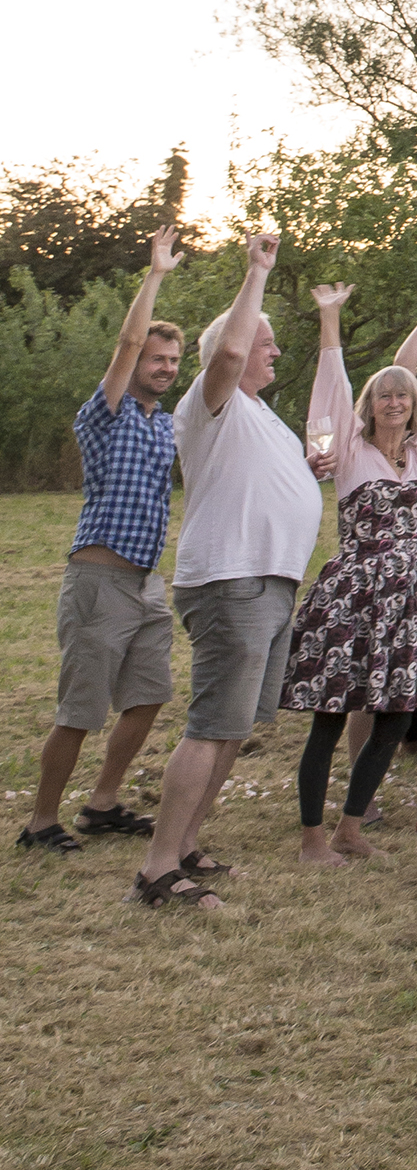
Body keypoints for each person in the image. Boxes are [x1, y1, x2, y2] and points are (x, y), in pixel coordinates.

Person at [134, 226, 326, 909]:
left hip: (271, 581)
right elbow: (235, 345)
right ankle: (157, 869)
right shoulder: (209, 398)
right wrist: (257, 273)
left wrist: (305, 471)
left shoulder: (257, 413)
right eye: (267, 342)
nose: (273, 350)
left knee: (236, 726)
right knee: (213, 722)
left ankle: (186, 844)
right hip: (230, 580)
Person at [24, 228, 185, 858]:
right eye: (156, 359)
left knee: (148, 698)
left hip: (147, 583)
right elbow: (124, 341)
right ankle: (39, 820)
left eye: (173, 361)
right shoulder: (105, 412)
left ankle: (102, 803)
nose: (165, 369)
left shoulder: (166, 425)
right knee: (80, 710)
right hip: (98, 581)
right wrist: (155, 275)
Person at [282, 278, 417, 868]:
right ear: (370, 404)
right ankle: (310, 839)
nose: (394, 401)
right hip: (354, 591)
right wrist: (330, 319)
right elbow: (329, 395)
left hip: (409, 595)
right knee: (330, 717)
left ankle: (351, 827)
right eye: (383, 394)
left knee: (396, 714)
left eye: (403, 395)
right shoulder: (350, 450)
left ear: (415, 406)